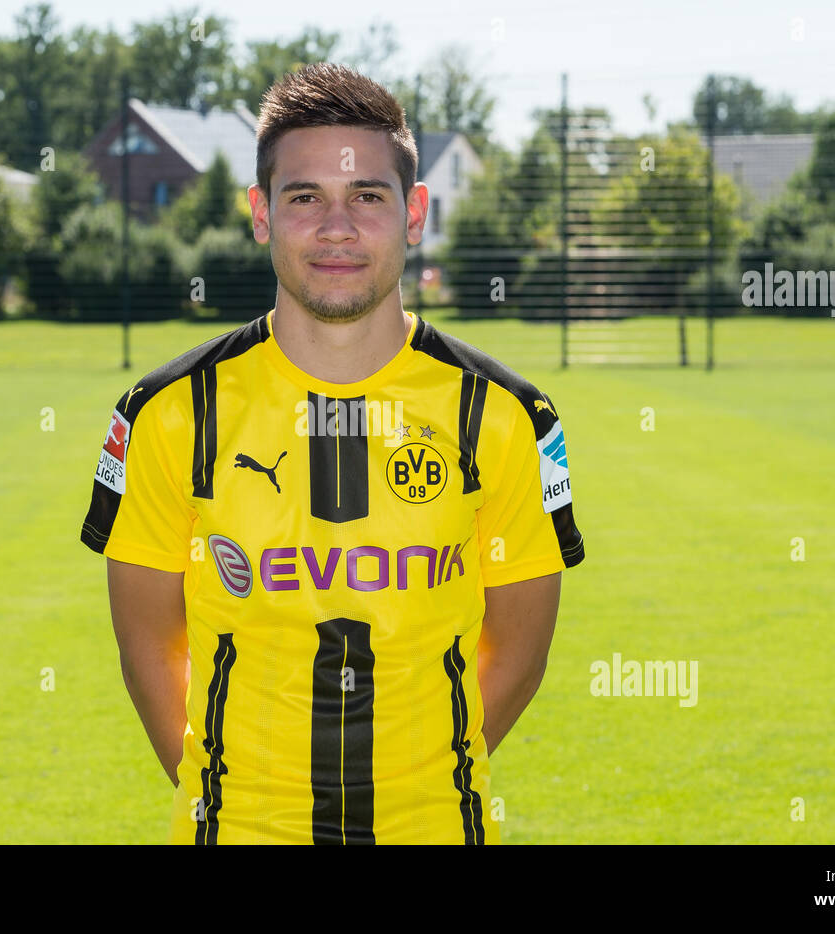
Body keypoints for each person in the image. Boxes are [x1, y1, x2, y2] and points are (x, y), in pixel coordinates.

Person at [80, 62, 584, 844]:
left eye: (368, 198)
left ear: (414, 213)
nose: (337, 228)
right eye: (305, 197)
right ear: (261, 213)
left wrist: (417, 778)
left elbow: (517, 655)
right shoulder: (168, 415)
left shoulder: (508, 417)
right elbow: (149, 647)